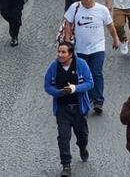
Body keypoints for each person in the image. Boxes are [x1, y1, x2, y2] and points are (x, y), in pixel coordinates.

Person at [64, 0, 121, 114]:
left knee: (96, 72)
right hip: (81, 48)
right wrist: (67, 40)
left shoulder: (102, 10)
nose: (83, 0)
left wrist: (116, 39)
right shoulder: (75, 7)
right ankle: (87, 98)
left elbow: (110, 26)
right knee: (84, 74)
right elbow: (68, 22)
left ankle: (98, 100)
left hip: (97, 47)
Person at [44, 41, 94, 177]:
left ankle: (83, 147)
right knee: (63, 137)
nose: (60, 55)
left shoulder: (81, 64)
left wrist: (74, 88)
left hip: (78, 108)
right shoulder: (54, 67)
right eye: (59, 52)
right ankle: (66, 165)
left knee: (82, 134)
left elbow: (90, 83)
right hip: (62, 109)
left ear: (70, 54)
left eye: (63, 52)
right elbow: (47, 85)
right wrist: (59, 92)